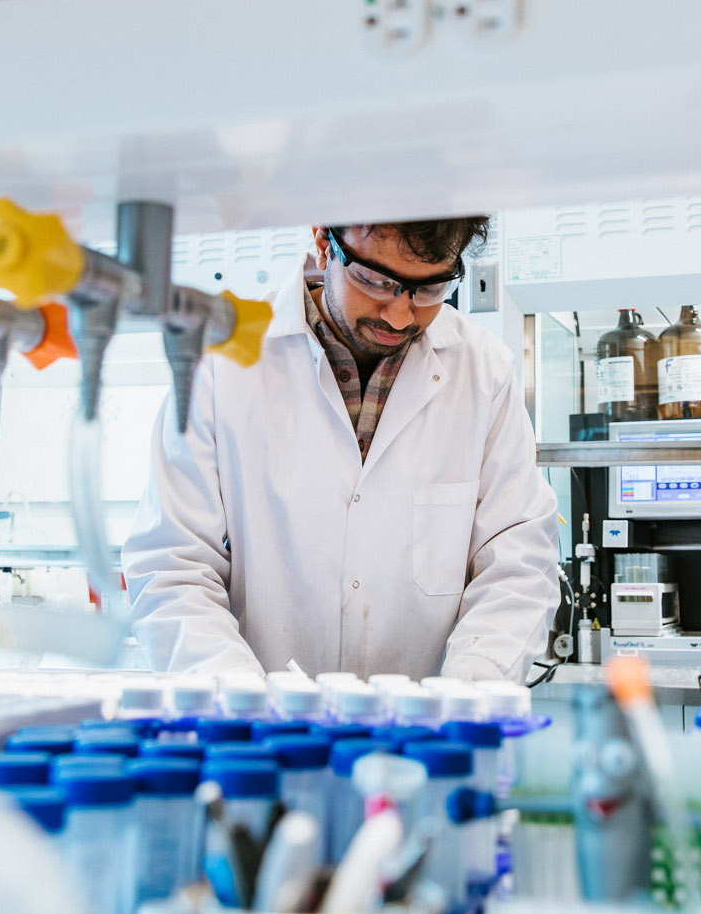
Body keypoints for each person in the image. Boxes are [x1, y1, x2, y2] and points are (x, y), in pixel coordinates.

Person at [124, 217, 559, 681]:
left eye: (430, 289)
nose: (399, 315)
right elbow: (174, 566)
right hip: (263, 736)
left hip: (426, 736)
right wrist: (244, 701)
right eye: (375, 281)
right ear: (323, 241)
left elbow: (516, 566)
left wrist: (466, 695)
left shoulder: (484, 371)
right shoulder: (222, 364)